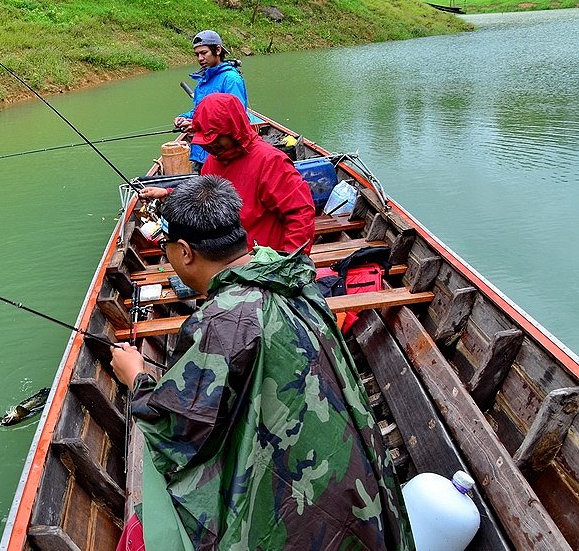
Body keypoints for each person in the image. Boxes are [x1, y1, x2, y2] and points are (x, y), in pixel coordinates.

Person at [111, 175, 413, 551]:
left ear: (185, 252)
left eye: (167, 246)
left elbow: (177, 431)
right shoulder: (291, 276)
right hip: (362, 502)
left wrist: (136, 378)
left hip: (296, 522)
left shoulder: (221, 321)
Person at [144, 92, 315, 255]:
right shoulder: (212, 161)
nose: (211, 146)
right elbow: (206, 198)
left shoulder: (271, 161)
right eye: (206, 141)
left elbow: (300, 214)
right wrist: (168, 194)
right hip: (228, 258)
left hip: (265, 262)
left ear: (234, 131)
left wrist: (288, 263)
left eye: (216, 139)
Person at [175, 30, 250, 172]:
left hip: (222, 153)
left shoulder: (231, 80)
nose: (200, 58)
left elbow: (235, 120)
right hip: (201, 151)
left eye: (204, 53)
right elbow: (199, 111)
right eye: (197, 54)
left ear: (217, 50)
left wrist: (197, 125)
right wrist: (184, 117)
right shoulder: (204, 80)